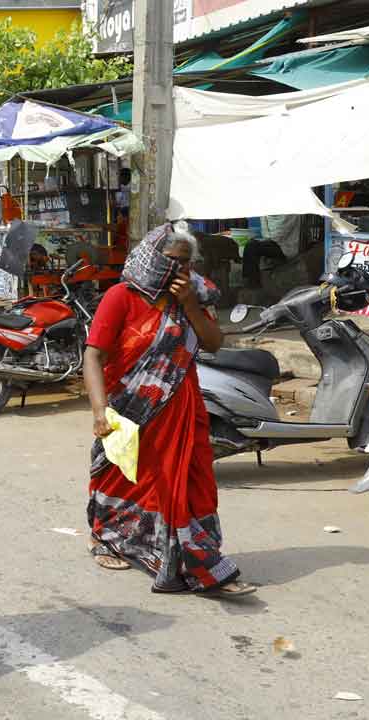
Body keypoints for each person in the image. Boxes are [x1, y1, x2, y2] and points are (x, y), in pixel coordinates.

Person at [82, 223, 256, 597]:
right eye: (170, 260)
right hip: (131, 407)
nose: (177, 269)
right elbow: (93, 355)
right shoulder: (121, 297)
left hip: (182, 405)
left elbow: (212, 344)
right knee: (124, 477)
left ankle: (196, 560)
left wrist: (191, 303)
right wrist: (100, 412)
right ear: (150, 255)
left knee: (188, 483)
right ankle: (110, 538)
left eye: (185, 263)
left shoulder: (191, 298)